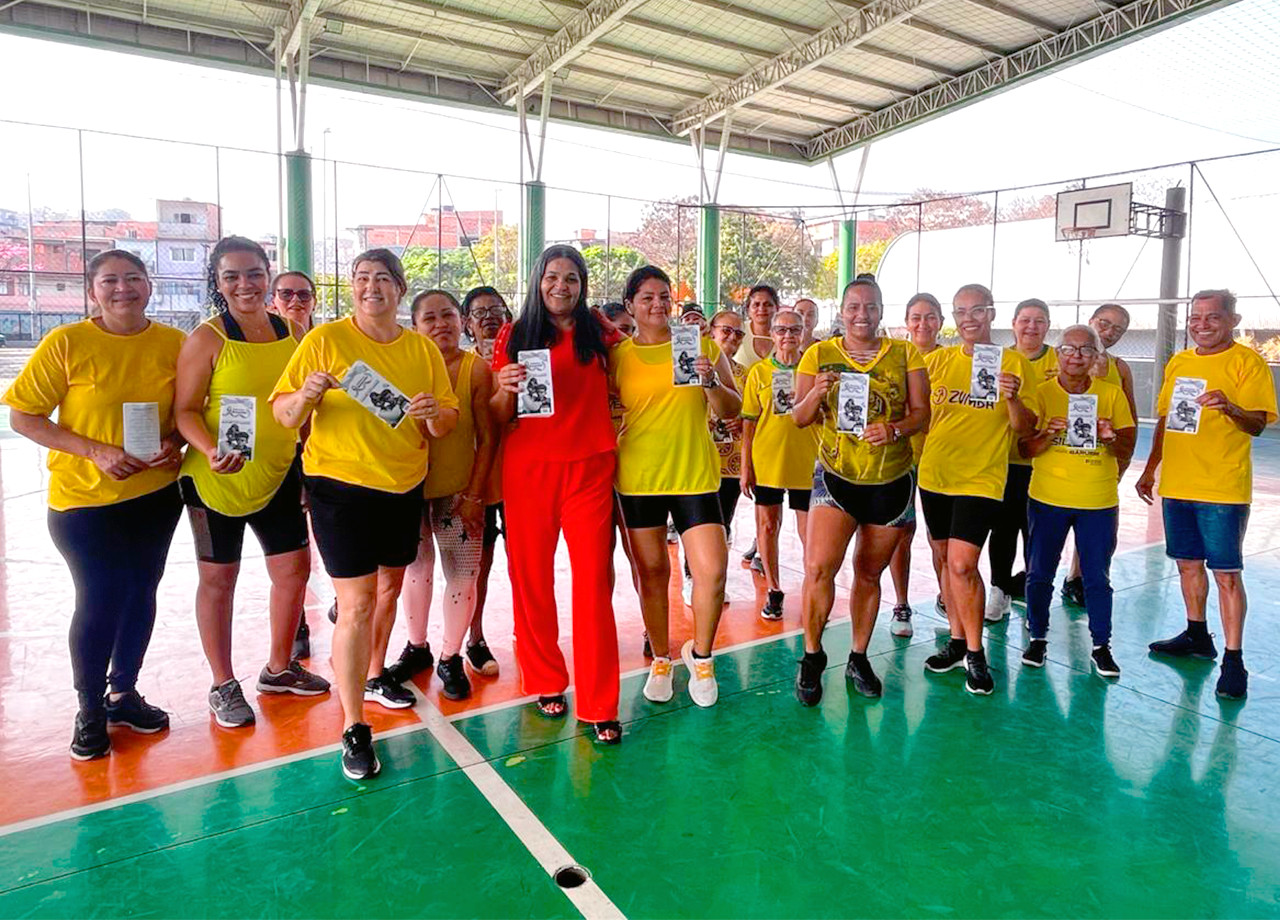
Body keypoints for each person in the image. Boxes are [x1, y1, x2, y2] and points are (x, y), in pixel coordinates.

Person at [271, 248, 459, 780]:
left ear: (400, 289)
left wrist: (433, 415)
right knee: (355, 605)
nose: (370, 286)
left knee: (388, 593)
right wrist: (306, 394)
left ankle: (374, 673)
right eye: (360, 278)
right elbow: (284, 414)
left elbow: (445, 422)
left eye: (381, 278)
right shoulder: (324, 341)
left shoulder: (421, 349)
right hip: (338, 487)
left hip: (402, 486)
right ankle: (354, 726)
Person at [4, 250, 186, 760]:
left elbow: (192, 410)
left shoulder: (174, 344)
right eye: (110, 280)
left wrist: (177, 440)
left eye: (133, 278)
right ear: (92, 290)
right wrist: (95, 451)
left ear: (150, 286)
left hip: (153, 496)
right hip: (83, 502)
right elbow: (25, 416)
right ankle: (89, 708)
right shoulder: (68, 343)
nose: (122, 288)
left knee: (141, 592)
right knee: (101, 596)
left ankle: (123, 693)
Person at [175, 237, 328, 730]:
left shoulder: (294, 330)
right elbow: (184, 411)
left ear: (268, 275)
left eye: (254, 273)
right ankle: (223, 683)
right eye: (232, 276)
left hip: (280, 473)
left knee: (293, 572)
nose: (245, 284)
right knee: (219, 581)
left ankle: (279, 668)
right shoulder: (208, 338)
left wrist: (307, 462)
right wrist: (209, 450)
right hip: (215, 481)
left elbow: (302, 404)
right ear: (218, 284)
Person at [491, 245, 622, 743]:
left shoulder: (601, 331)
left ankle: (599, 702)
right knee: (531, 580)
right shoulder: (514, 333)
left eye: (571, 278)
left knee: (593, 585)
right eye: (552, 277)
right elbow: (498, 414)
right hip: (529, 472)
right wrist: (502, 385)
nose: (561, 287)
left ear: (582, 283)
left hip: (589, 470)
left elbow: (636, 366)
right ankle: (545, 679)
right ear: (537, 280)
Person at [791, 279, 929, 703]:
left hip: (889, 482)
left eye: (870, 307)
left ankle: (858, 655)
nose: (862, 314)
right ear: (843, 310)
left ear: (882, 310)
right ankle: (812, 656)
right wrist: (816, 391)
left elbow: (922, 414)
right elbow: (799, 417)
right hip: (836, 477)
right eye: (853, 307)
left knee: (870, 574)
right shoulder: (819, 354)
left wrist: (893, 429)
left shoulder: (905, 354)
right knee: (819, 569)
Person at [612, 265, 741, 709]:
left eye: (664, 296)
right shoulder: (619, 357)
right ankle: (662, 657)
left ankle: (701, 657)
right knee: (651, 574)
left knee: (712, 570)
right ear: (630, 304)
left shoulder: (702, 345)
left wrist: (709, 380)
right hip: (639, 479)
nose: (657, 304)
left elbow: (732, 408)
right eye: (647, 297)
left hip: (694, 475)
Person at [1137, 289, 1277, 700]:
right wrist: (1150, 469)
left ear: (1232, 320)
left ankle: (1234, 660)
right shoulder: (1180, 362)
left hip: (1222, 487)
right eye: (1195, 317)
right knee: (1187, 566)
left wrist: (1230, 407)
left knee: (1227, 575)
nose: (1201, 324)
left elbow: (1257, 425)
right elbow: (1165, 417)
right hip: (1178, 483)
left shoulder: (1247, 363)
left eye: (1212, 317)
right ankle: (1197, 635)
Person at [917, 283, 1035, 696]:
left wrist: (1014, 399)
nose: (969, 318)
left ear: (991, 314)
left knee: (964, 564)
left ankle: (975, 651)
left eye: (977, 310)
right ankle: (954, 639)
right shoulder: (938, 361)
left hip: (982, 478)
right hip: (935, 475)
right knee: (944, 559)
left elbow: (1025, 430)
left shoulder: (1015, 363)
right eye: (961, 311)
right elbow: (918, 414)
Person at [388, 290, 497, 701]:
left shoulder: (477, 369)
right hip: (410, 489)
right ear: (414, 326)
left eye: (448, 315)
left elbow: (488, 438)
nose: (441, 325)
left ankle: (451, 656)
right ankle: (417, 648)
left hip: (458, 491)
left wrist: (475, 494)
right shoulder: (403, 367)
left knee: (463, 576)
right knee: (416, 572)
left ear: (462, 320)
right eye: (429, 318)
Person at [1018, 324, 1135, 677]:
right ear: (1058, 355)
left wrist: (1110, 436)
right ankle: (1037, 637)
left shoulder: (1111, 394)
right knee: (1039, 573)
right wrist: (1047, 435)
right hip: (1048, 498)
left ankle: (1101, 645)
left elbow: (1127, 447)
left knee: (1096, 577)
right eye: (1069, 349)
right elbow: (1024, 449)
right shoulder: (1040, 393)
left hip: (1097, 500)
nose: (1076, 357)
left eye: (1086, 350)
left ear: (1097, 357)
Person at [740, 310, 818, 620]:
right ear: (771, 334)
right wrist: (746, 467)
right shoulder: (759, 373)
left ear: (803, 333)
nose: (788, 335)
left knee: (809, 533)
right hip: (768, 462)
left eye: (794, 330)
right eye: (782, 330)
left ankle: (814, 587)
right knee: (767, 526)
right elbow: (748, 424)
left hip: (806, 464)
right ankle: (774, 589)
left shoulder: (813, 370)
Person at [1060, 302, 1139, 606]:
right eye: (1105, 323)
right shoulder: (1065, 359)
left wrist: (1122, 455)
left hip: (1100, 458)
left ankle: (1078, 576)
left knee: (1094, 521)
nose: (1109, 332)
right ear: (1091, 321)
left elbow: (1129, 417)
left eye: (1118, 328)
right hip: (1061, 456)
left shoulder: (1119, 368)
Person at [986, 298, 1059, 622]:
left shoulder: (1060, 360)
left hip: (1045, 462)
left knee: (1037, 532)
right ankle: (999, 590)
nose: (1031, 326)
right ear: (1013, 323)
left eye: (1039, 320)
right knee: (1002, 529)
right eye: (1025, 320)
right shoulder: (998, 360)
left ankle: (1034, 592)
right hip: (1004, 460)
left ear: (1047, 325)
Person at [885, 292, 945, 638]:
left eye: (931, 316)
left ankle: (947, 597)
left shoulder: (953, 359)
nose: (923, 324)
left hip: (942, 459)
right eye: (916, 317)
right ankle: (901, 603)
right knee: (901, 534)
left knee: (941, 539)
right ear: (906, 322)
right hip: (903, 459)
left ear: (940, 321)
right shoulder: (893, 357)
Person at [461, 285, 513, 676]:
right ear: (467, 323)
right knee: (477, 564)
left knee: (524, 563)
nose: (489, 317)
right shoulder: (462, 366)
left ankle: (527, 630)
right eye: (479, 313)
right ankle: (473, 637)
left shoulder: (523, 360)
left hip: (521, 477)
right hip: (477, 479)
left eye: (496, 309)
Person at [736, 284, 778, 368]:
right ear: (748, 309)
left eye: (767, 304)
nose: (761, 309)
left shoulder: (785, 335)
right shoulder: (737, 331)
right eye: (756, 304)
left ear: (777, 308)